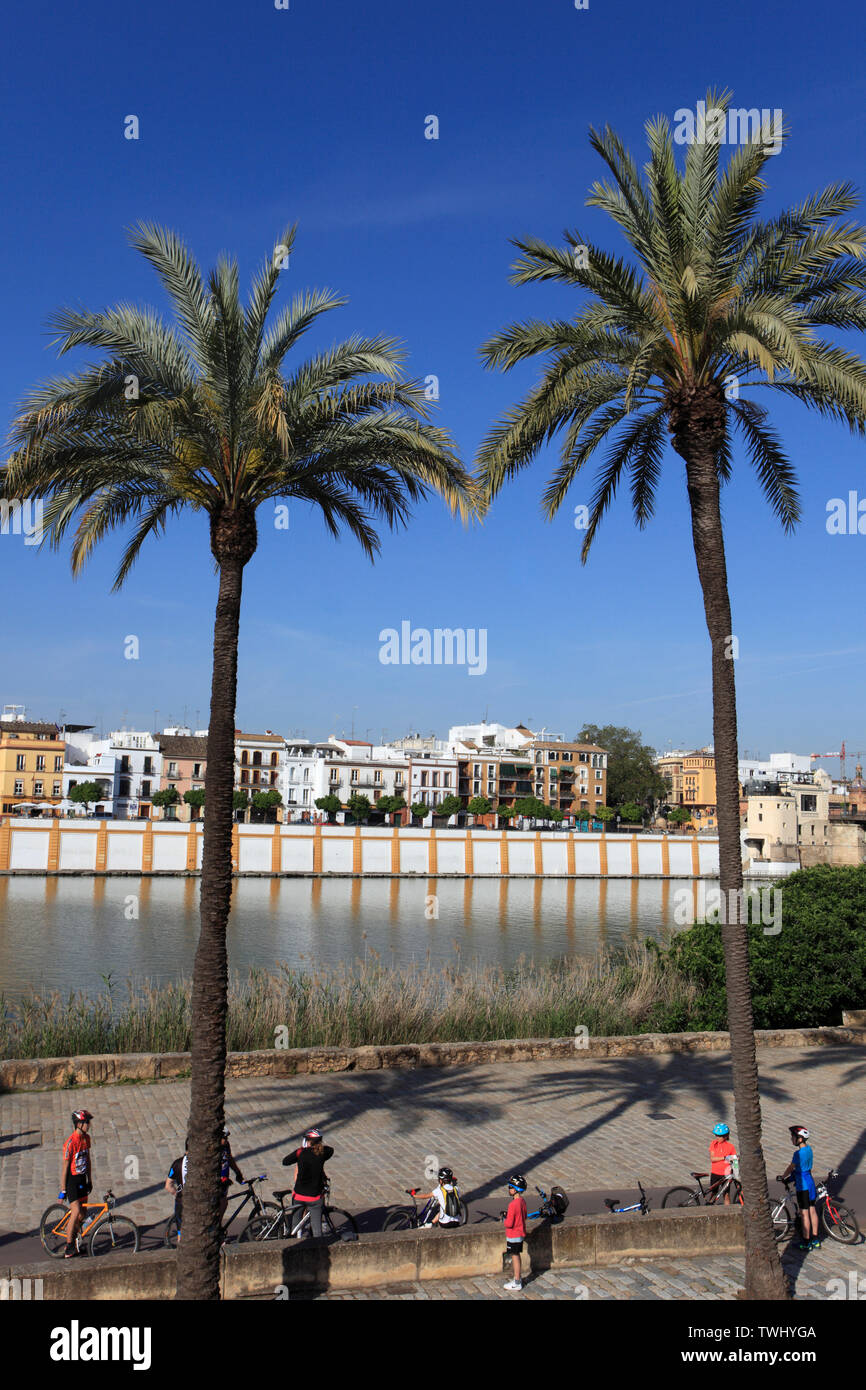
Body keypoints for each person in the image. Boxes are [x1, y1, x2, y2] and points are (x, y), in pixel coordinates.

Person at [282, 1128, 334, 1237]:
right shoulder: (323, 1153)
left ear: (307, 1141)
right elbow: (331, 1150)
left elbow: (285, 1161)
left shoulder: (300, 1153)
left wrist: (301, 1151)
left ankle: (294, 1241)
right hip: (315, 1198)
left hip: (299, 1196)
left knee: (295, 1226)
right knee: (317, 1232)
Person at [779, 1125, 820, 1250]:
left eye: (793, 1137)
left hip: (803, 1186)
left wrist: (783, 1176)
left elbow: (791, 1167)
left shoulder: (798, 1154)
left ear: (800, 1139)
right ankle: (815, 1239)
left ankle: (806, 1241)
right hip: (810, 1183)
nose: (791, 1139)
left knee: (804, 1213)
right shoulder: (809, 1150)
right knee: (813, 1210)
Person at [60, 1109, 93, 1258]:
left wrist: (90, 1180)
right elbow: (65, 1167)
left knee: (83, 1214)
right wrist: (63, 1189)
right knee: (76, 1210)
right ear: (79, 1124)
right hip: (71, 1181)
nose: (89, 1125)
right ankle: (68, 1247)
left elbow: (88, 1160)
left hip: (82, 1179)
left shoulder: (87, 1139)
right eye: (86, 1122)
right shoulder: (70, 1143)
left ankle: (74, 1240)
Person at [503, 1174, 528, 1291]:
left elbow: (509, 1223)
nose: (509, 1189)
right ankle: (517, 1279)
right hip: (520, 1233)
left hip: (513, 1235)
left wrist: (504, 1218)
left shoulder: (512, 1205)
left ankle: (517, 1281)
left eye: (510, 1187)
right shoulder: (522, 1202)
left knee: (515, 1256)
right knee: (517, 1255)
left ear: (515, 1189)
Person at [708, 1123, 739, 1205]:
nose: (717, 1137)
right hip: (715, 1173)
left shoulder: (730, 1147)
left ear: (725, 1136)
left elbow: (735, 1160)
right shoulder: (713, 1144)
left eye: (719, 1136)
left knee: (726, 1195)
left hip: (726, 1174)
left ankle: (727, 1211)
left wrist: (736, 1172)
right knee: (713, 1194)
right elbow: (712, 1159)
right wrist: (725, 1157)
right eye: (716, 1135)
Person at [165, 1138, 188, 1243]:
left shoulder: (177, 1164)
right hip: (198, 1203)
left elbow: (168, 1186)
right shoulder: (203, 1164)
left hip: (181, 1202)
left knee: (181, 1234)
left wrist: (176, 1193)